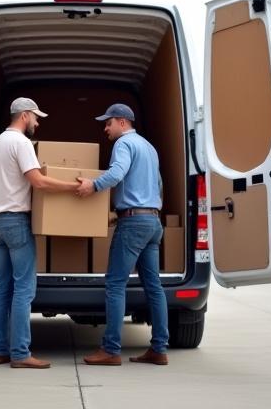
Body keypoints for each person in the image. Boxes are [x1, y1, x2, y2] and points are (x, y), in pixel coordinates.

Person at [0, 97, 80, 369]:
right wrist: (71, 187)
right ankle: (20, 353)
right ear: (25, 115)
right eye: (36, 118)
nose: (37, 123)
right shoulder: (21, 143)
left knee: (3, 287)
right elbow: (37, 181)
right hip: (15, 222)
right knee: (24, 290)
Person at [76, 103, 169, 366]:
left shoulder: (124, 145)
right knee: (154, 287)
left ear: (122, 122)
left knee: (116, 284)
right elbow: (159, 186)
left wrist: (92, 186)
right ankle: (159, 349)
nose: (105, 128)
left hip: (134, 225)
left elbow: (117, 174)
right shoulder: (149, 147)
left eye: (108, 123)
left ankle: (111, 350)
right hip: (152, 221)